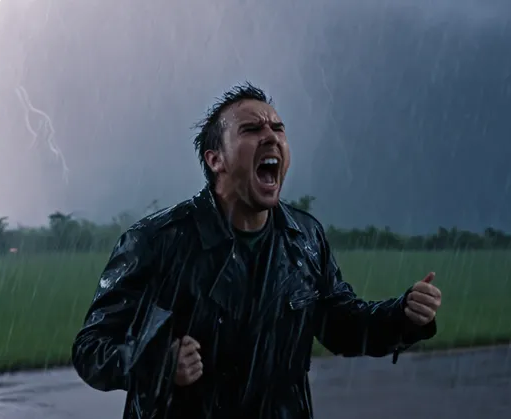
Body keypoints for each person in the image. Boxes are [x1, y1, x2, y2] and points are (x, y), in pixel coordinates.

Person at [71, 83, 442, 418]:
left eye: (278, 129)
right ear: (215, 159)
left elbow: (342, 325)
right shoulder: (156, 241)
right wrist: (153, 364)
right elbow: (91, 349)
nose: (271, 136)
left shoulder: (305, 238)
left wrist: (403, 316)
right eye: (251, 129)